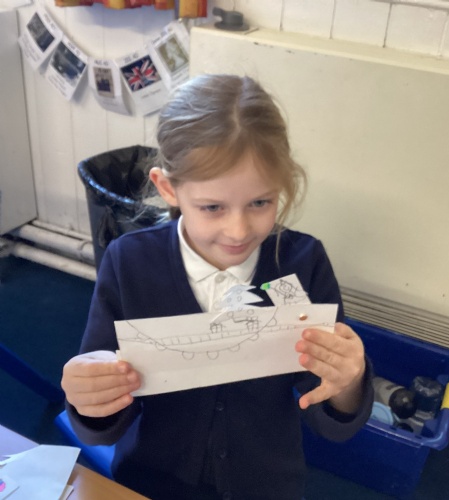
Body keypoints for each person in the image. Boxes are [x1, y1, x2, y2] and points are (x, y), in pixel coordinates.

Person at [61, 74, 374, 500]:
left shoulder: (303, 263)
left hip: (266, 486)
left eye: (260, 202)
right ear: (168, 188)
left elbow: (329, 414)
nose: (238, 230)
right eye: (212, 207)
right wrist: (88, 398)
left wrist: (349, 382)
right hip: (151, 482)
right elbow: (102, 421)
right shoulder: (129, 263)